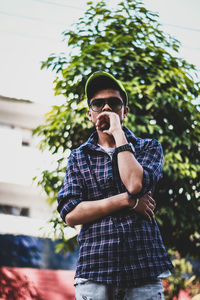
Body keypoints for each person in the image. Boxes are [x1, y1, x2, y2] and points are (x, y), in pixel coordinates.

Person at [57, 71, 173, 300]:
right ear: (90, 114)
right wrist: (126, 201)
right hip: (95, 271)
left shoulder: (149, 148)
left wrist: (118, 133)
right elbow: (70, 214)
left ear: (125, 112)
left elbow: (134, 183)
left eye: (114, 103)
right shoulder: (78, 157)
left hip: (143, 270)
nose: (107, 108)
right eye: (98, 104)